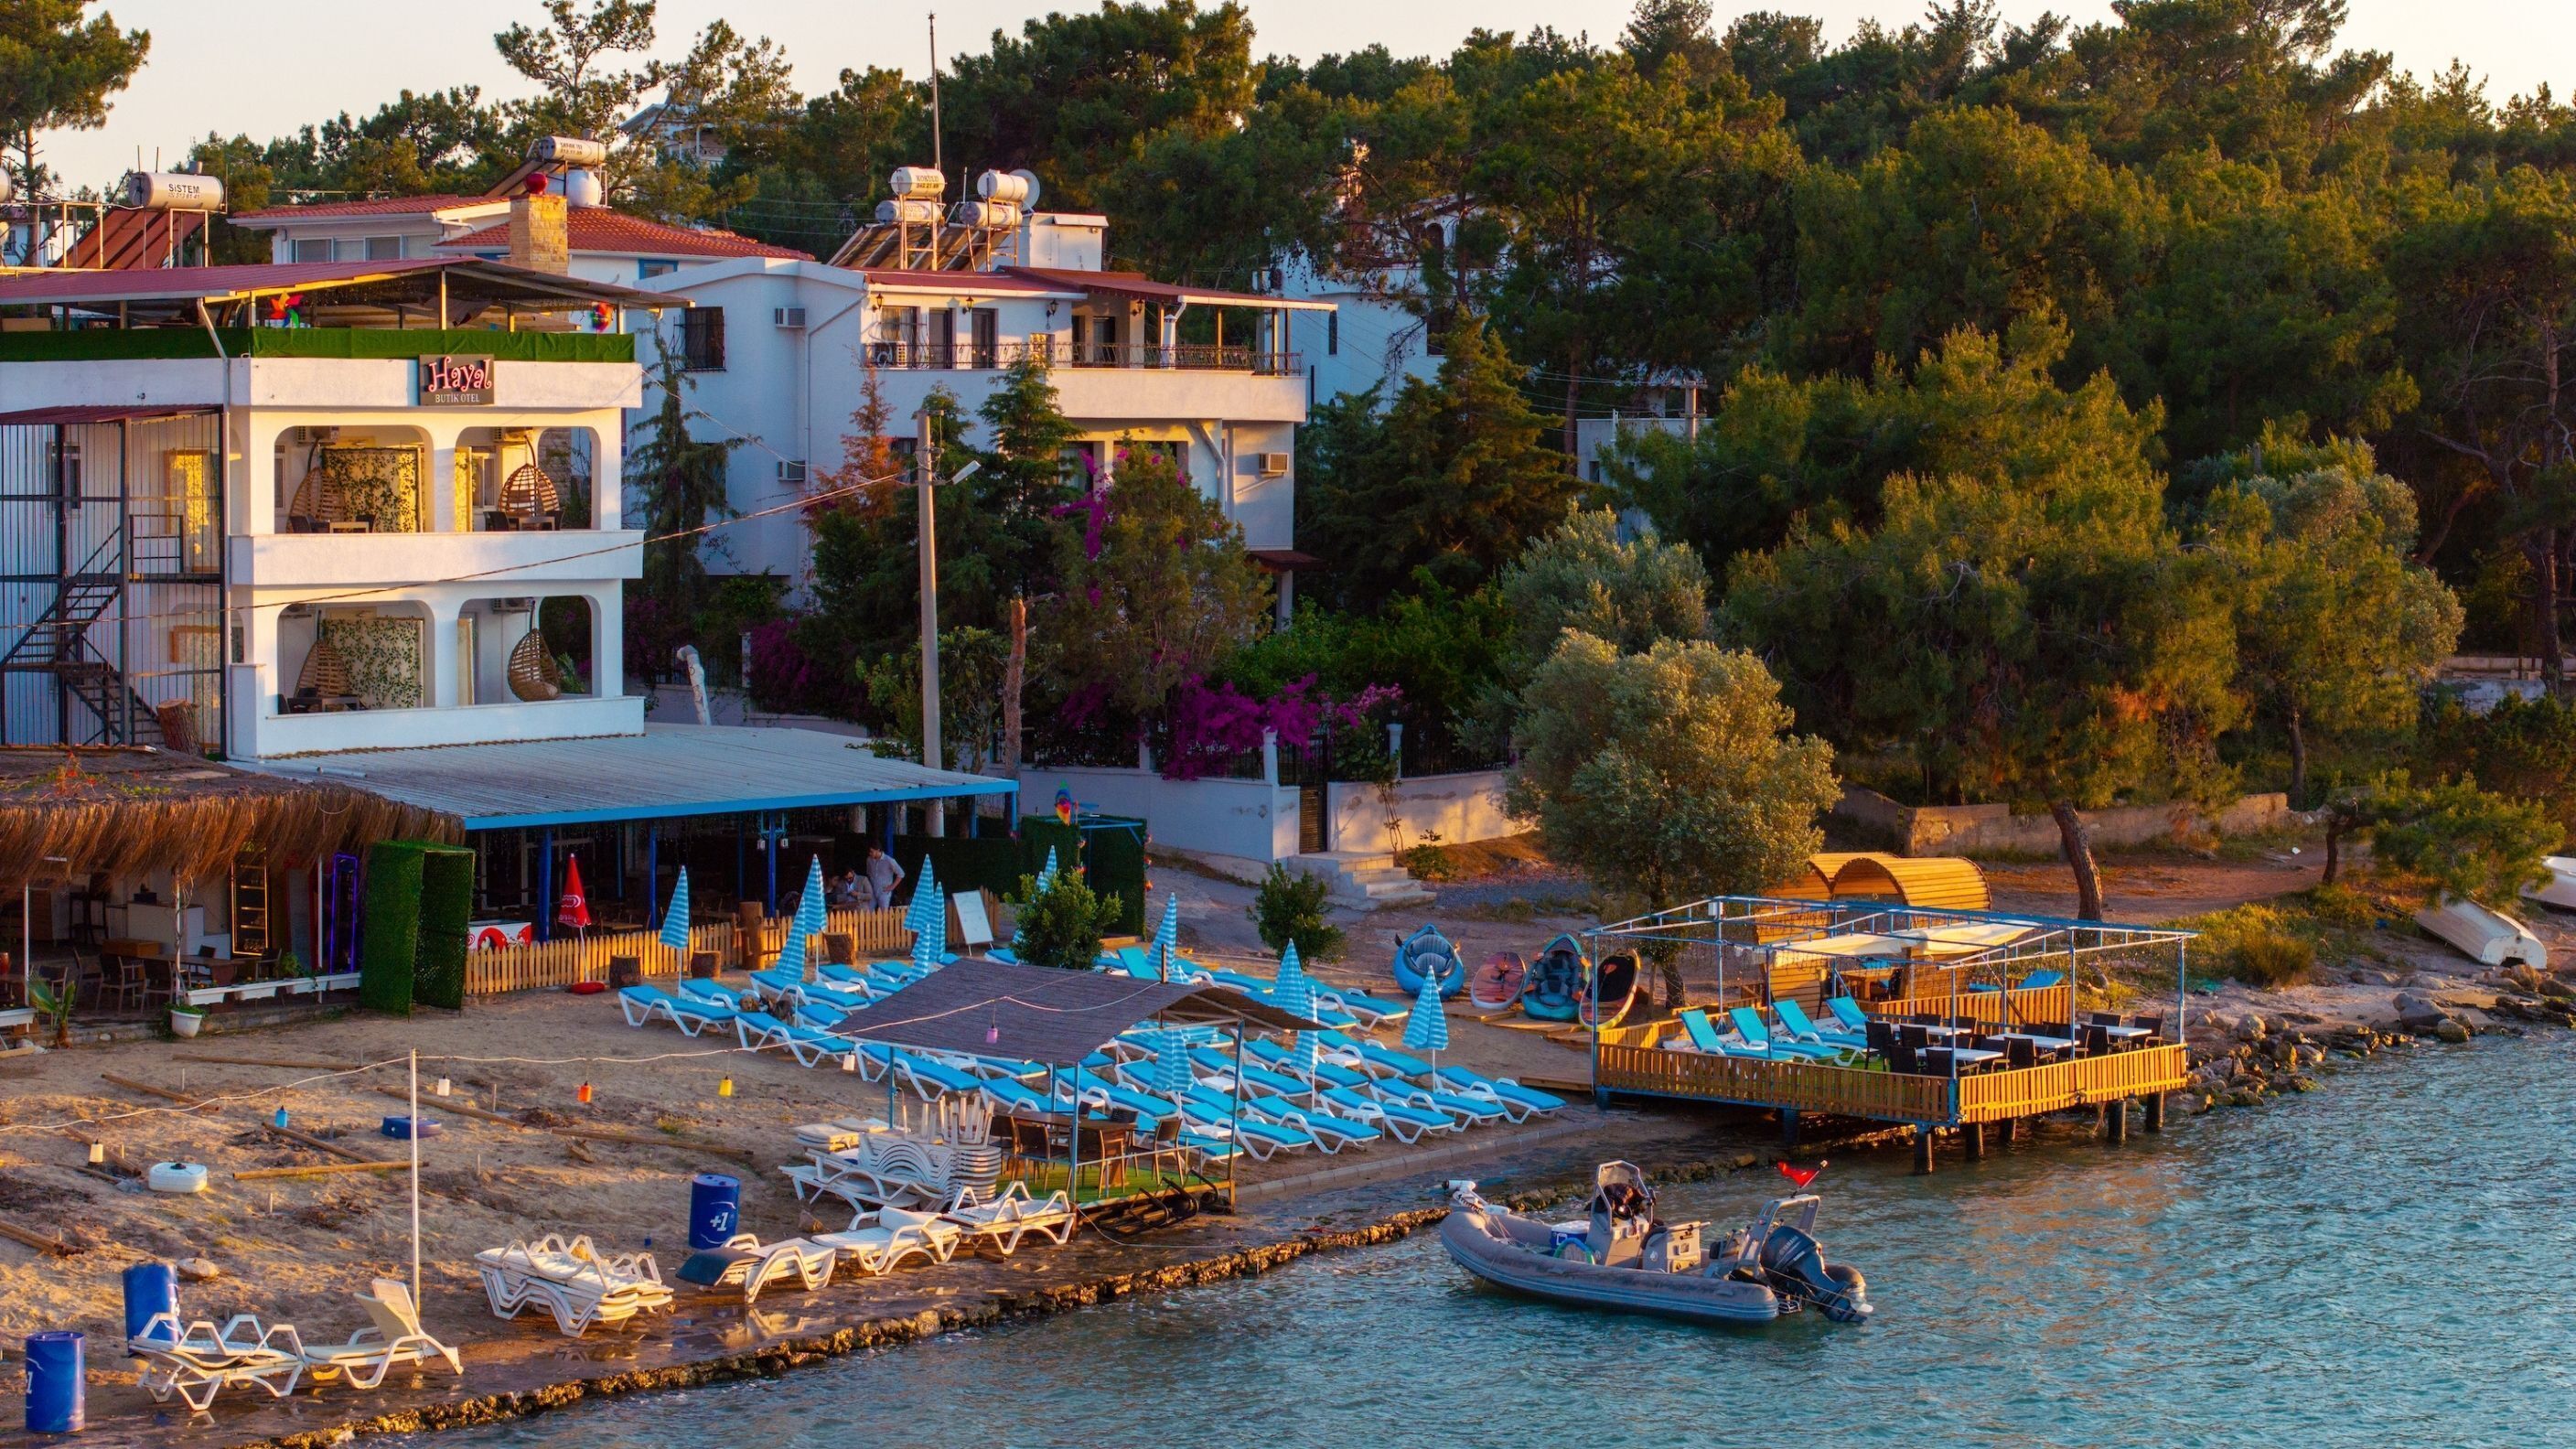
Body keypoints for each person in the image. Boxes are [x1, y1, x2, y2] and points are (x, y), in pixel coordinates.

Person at [864, 843, 906, 910]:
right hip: (872, 890)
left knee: (884, 914)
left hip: (884, 891)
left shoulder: (889, 860)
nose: (870, 853)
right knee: (867, 912)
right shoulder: (869, 859)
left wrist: (892, 887)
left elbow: (901, 873)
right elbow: (869, 873)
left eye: (872, 851)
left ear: (878, 850)